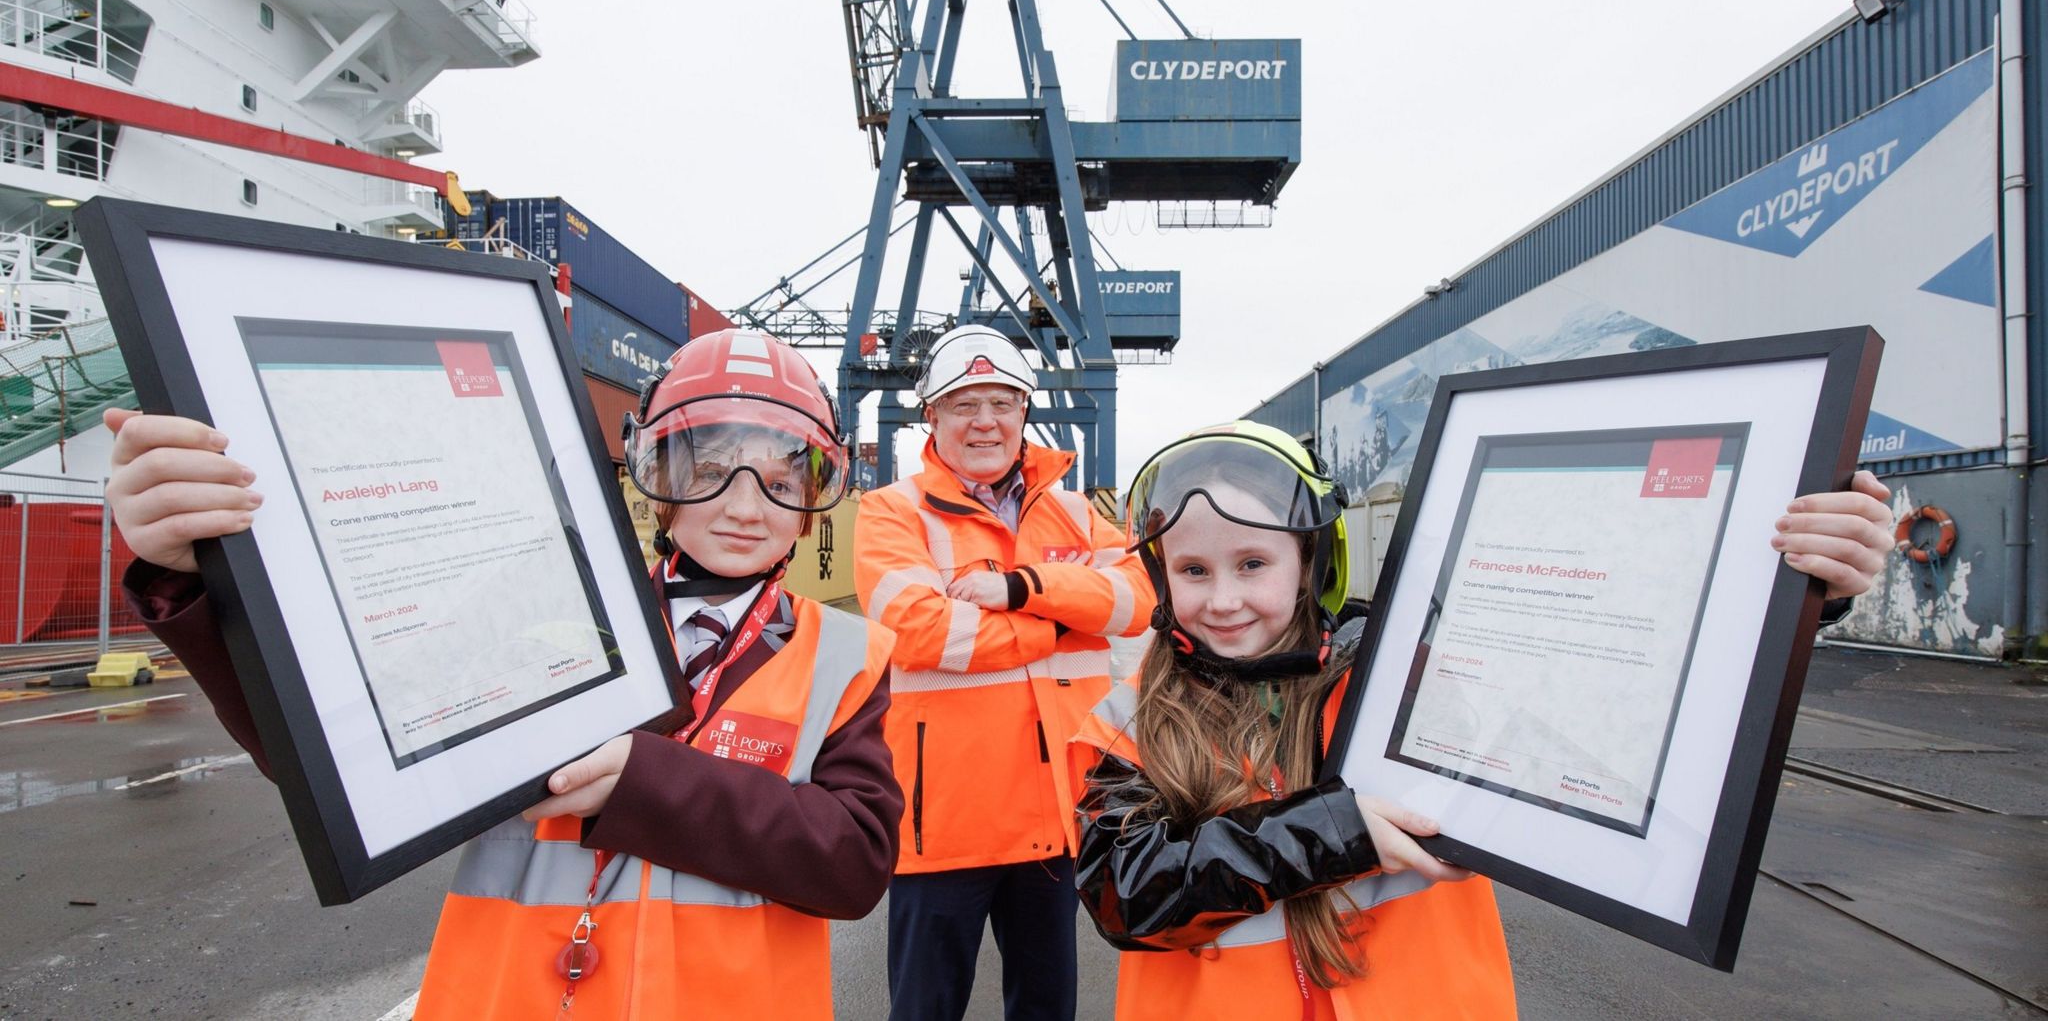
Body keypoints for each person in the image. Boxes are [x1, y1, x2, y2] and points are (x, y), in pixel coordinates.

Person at [106, 329, 901, 1019]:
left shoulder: (846, 654)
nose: (743, 504)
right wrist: (195, 580)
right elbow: (334, 766)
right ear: (655, 476)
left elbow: (855, 863)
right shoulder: (545, 609)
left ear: (813, 499)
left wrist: (646, 782)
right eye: (708, 468)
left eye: (782, 477)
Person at [1071, 421, 1895, 1019]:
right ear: (1161, 574)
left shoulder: (1410, 679)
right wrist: (1331, 829)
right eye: (1193, 568)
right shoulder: (1130, 719)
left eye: (1253, 562)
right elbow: (1124, 895)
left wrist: (1803, 589)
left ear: (1312, 562)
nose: (1222, 598)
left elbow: (1601, 670)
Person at [853, 324, 1156, 1021]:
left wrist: (1022, 589)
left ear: (1025, 412)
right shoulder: (891, 513)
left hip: (1055, 814)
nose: (984, 421)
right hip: (946, 822)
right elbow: (921, 630)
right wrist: (1059, 619)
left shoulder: (1078, 513)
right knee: (925, 1007)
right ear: (931, 416)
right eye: (963, 404)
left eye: (1000, 402)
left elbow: (1140, 602)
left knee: (1047, 1007)